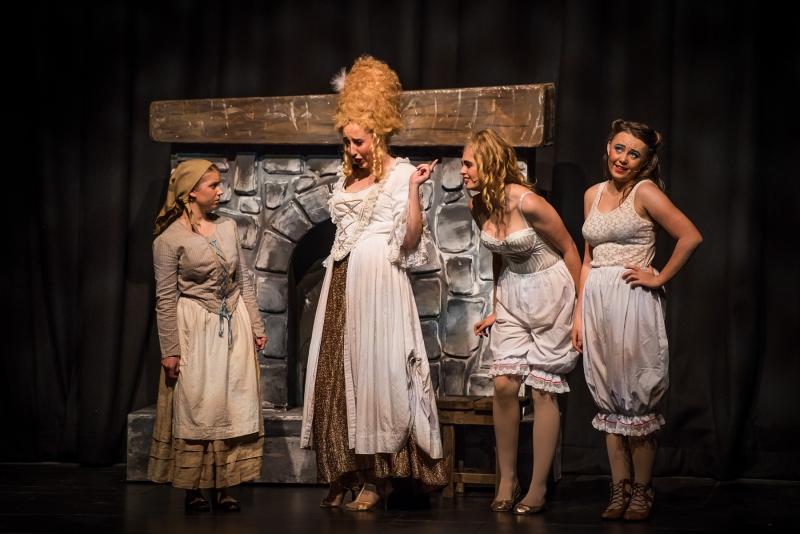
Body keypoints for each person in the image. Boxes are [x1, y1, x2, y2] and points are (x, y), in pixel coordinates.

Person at [300, 56, 446, 511]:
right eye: (346, 141)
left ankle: (379, 479)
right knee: (335, 374)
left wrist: (415, 191)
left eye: (358, 141)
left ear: (378, 135)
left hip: (379, 286)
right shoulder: (347, 175)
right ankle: (344, 471)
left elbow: (410, 240)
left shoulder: (401, 175)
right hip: (341, 282)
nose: (352, 149)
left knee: (378, 376)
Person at [573, 120, 702, 521]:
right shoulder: (592, 194)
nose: (623, 158)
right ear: (608, 147)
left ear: (645, 162)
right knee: (609, 395)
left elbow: (690, 236)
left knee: (636, 396)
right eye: (619, 148)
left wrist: (658, 277)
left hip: (632, 300)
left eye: (634, 154)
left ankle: (643, 490)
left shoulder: (645, 192)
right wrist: (578, 314)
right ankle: (620, 490)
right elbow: (588, 259)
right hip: (597, 302)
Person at [465, 129, 582, 515]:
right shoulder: (477, 205)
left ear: (490, 164)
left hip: (551, 292)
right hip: (513, 293)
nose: (463, 171)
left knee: (542, 389)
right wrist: (497, 306)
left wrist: (582, 309)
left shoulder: (529, 203)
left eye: (468, 164)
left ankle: (538, 487)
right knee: (503, 385)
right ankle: (508, 479)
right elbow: (498, 255)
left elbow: (570, 250)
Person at [148, 159, 268, 512]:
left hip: (233, 324)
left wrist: (256, 325)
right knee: (197, 405)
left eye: (219, 184)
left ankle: (224, 486)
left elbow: (242, 279)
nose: (220, 191)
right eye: (213, 185)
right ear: (191, 192)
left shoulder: (227, 227)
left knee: (229, 402)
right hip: (195, 327)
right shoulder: (168, 240)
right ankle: (193, 489)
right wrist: (170, 349)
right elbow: (164, 298)